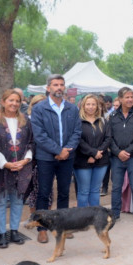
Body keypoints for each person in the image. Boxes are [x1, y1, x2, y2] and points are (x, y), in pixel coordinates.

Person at [30, 75, 81, 213]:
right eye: (55, 84)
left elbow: (77, 132)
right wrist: (58, 151)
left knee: (64, 193)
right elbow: (39, 135)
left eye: (61, 84)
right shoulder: (39, 109)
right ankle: (42, 229)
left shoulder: (73, 109)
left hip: (67, 157)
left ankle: (62, 226)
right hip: (46, 158)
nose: (59, 87)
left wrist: (66, 151)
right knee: (44, 193)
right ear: (48, 88)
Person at [0, 88, 33, 248]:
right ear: (3, 102)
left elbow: (31, 143)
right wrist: (5, 164)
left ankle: (14, 230)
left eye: (17, 101)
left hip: (22, 167)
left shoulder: (26, 120)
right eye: (11, 100)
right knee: (0, 202)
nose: (14, 103)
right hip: (0, 168)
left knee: (18, 200)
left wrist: (25, 161)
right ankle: (1, 233)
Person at [108, 87, 133, 224]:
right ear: (120, 99)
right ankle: (115, 214)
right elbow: (109, 137)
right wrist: (118, 152)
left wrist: (128, 152)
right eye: (127, 97)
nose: (130, 99)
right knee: (116, 187)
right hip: (116, 158)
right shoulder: (112, 116)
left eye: (132, 97)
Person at [73, 94, 110, 208]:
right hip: (82, 161)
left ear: (97, 106)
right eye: (88, 104)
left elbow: (108, 138)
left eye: (93, 104)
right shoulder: (77, 121)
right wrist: (92, 153)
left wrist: (98, 153)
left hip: (101, 160)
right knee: (83, 191)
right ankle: (82, 219)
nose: (91, 107)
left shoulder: (103, 121)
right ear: (83, 106)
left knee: (95, 190)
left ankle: (95, 217)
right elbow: (78, 140)